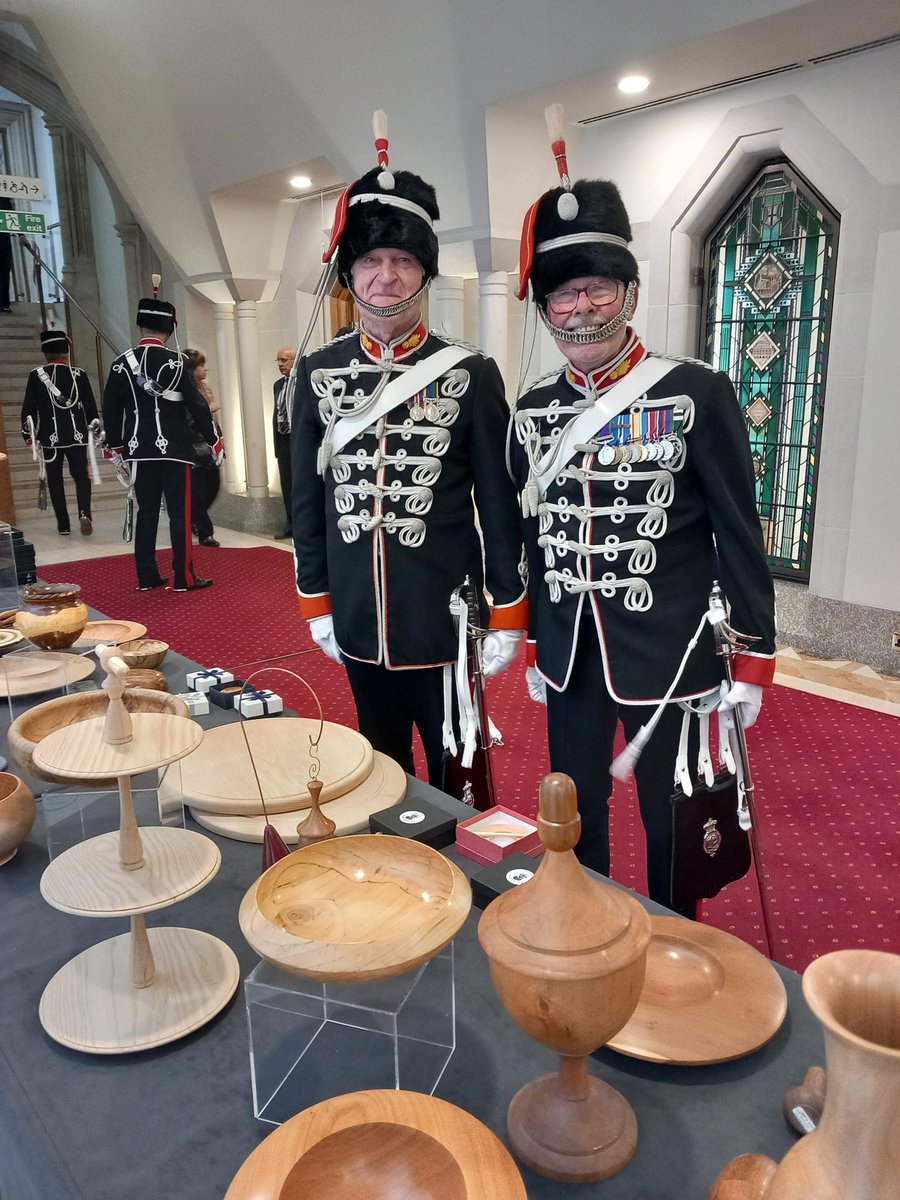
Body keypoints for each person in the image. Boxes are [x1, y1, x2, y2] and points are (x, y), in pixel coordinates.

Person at [507, 136, 776, 911]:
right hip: (570, 656)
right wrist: (532, 636)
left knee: (674, 820)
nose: (580, 306)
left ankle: (672, 944)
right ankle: (588, 928)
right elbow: (535, 533)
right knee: (576, 813)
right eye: (563, 295)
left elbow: (738, 533)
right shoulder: (535, 410)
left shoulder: (696, 392)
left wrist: (753, 656)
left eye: (596, 287)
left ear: (625, 291)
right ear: (546, 309)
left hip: (672, 653)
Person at [292, 117, 527, 784]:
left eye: (402, 261)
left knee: (461, 780)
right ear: (351, 274)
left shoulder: (469, 373)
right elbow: (309, 502)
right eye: (371, 261)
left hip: (448, 619)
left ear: (423, 270)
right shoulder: (318, 375)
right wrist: (317, 599)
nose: (386, 276)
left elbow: (498, 503)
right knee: (382, 777)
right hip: (360, 618)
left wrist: (507, 608)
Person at [102, 296, 222, 592]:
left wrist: (116, 446)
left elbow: (111, 409)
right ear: (168, 329)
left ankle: (146, 576)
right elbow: (197, 405)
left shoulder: (120, 365)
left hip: (138, 451)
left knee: (147, 513)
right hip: (175, 452)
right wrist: (214, 440)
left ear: (141, 325)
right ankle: (184, 577)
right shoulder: (178, 362)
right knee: (179, 514)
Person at [21, 327, 99, 535]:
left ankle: (63, 525)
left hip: (50, 438)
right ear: (66, 352)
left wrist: (28, 435)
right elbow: (91, 407)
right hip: (77, 436)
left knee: (55, 480)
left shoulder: (36, 376)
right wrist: (96, 428)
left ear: (46, 353)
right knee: (81, 476)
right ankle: (84, 513)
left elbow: (29, 407)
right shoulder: (79, 374)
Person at [184, 348, 222, 547]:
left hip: (209, 442)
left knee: (214, 485)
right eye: (200, 366)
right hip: (192, 445)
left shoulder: (206, 388)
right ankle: (205, 532)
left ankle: (194, 518)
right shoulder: (184, 389)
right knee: (198, 492)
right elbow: (191, 416)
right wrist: (208, 409)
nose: (205, 369)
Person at [272, 346, 296, 539]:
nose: (280, 364)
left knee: (300, 485)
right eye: (278, 360)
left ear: (295, 360)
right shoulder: (278, 385)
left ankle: (304, 525)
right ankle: (290, 524)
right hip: (283, 441)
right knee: (286, 485)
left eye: (284, 360)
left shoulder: (302, 383)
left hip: (299, 442)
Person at [0, 198, 15, 312]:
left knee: (4, 273)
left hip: (3, 242)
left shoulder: (4, 200)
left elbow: (13, 218)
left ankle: (4, 303)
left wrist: (21, 235)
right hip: (4, 242)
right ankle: (4, 303)